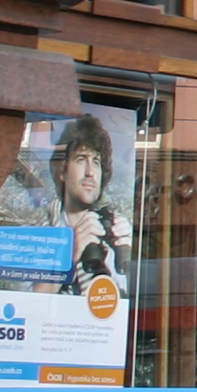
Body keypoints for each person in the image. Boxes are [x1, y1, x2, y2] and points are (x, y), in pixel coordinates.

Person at [52, 114, 126, 293]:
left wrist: (127, 257)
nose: (90, 172)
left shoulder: (111, 230)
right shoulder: (38, 228)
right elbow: (26, 299)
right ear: (62, 171)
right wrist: (71, 255)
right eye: (81, 160)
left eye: (96, 162)